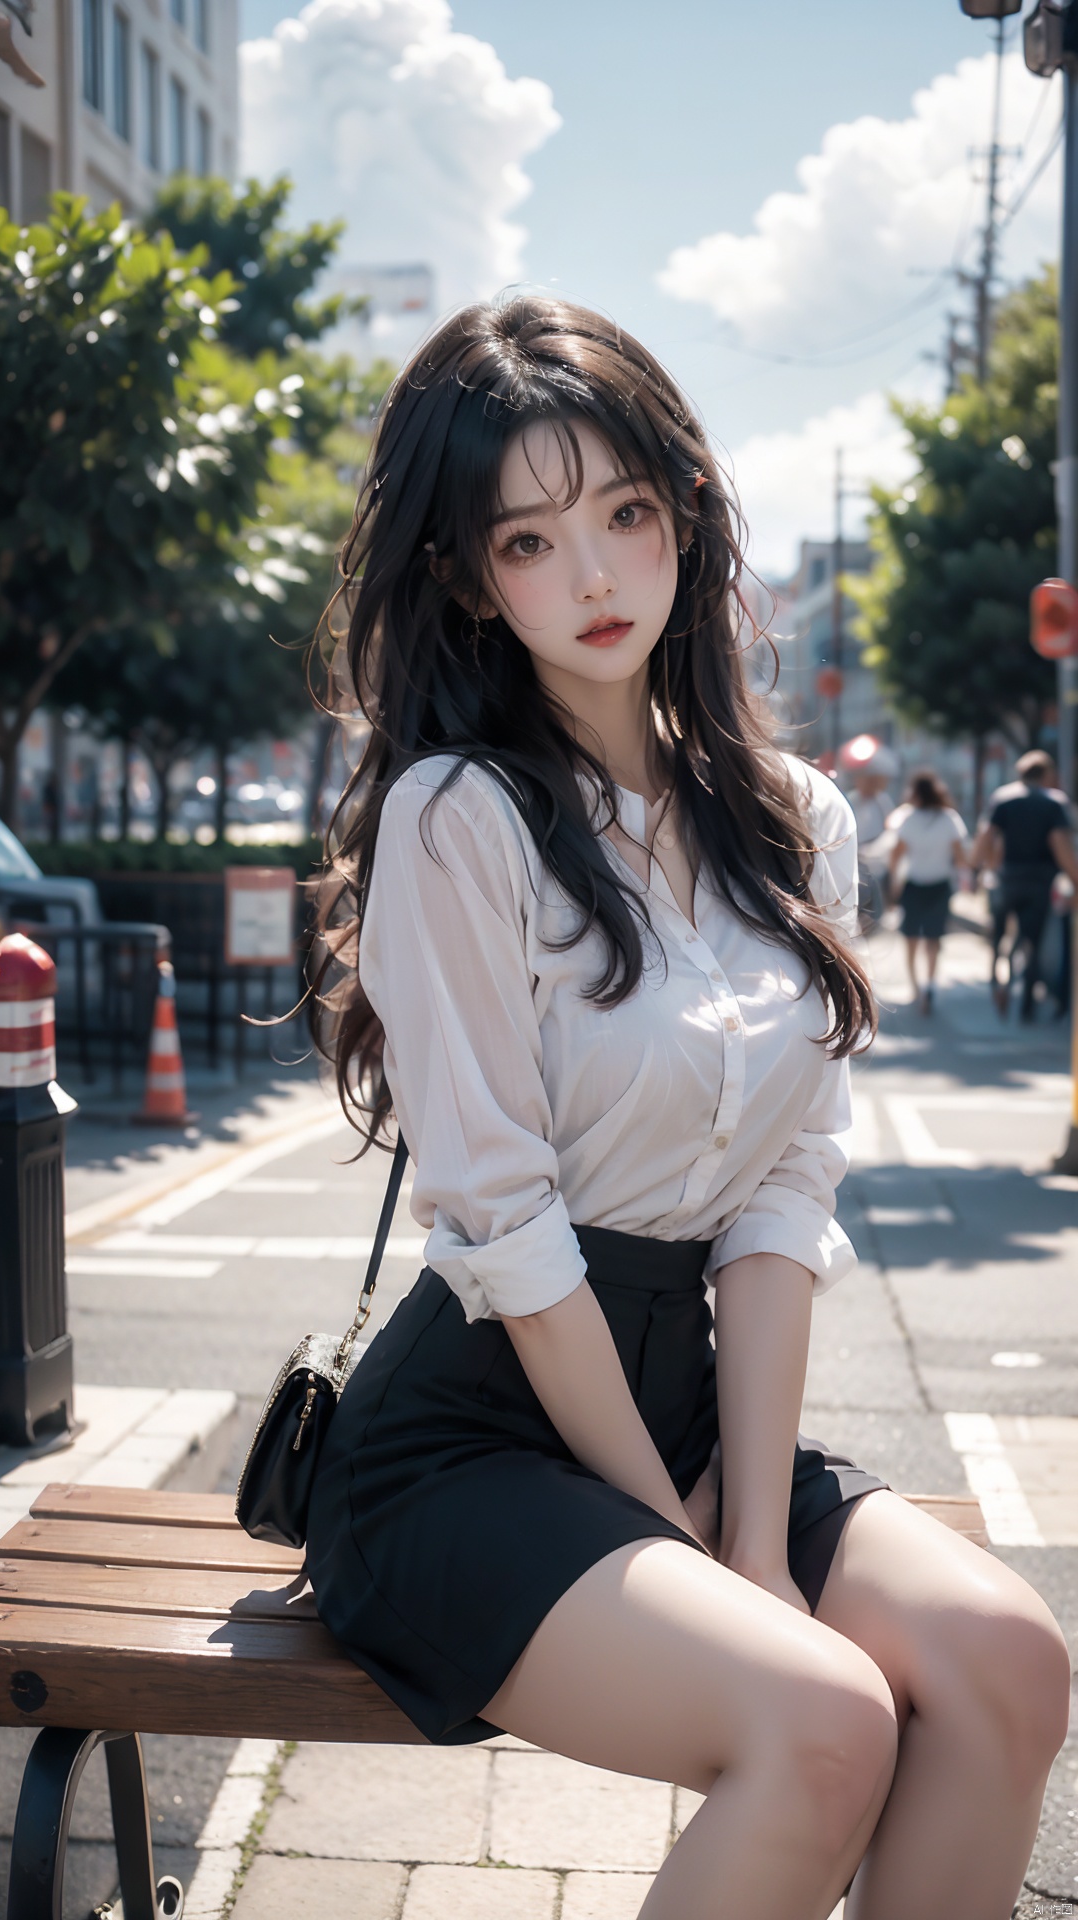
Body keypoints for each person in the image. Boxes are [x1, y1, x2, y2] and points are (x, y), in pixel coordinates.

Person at [304, 298, 1068, 1920]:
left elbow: (785, 1193)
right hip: (472, 1439)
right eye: (529, 538)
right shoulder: (461, 818)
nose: (593, 577)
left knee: (1010, 1662)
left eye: (627, 515)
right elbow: (504, 1228)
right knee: (822, 1716)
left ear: (687, 515)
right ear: (462, 573)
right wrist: (677, 1535)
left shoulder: (798, 821)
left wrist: (759, 1531)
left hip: (689, 1403)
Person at [972, 749, 1078, 1021]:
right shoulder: (1054, 802)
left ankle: (999, 983)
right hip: (1040, 882)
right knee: (1032, 943)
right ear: (1047, 774)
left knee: (999, 939)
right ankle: (1028, 1006)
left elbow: (986, 838)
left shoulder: (1002, 798)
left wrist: (976, 869)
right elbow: (1060, 845)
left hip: (1006, 879)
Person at [886, 771, 969, 1013]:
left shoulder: (908, 819)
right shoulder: (949, 818)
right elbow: (960, 855)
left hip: (913, 884)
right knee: (934, 939)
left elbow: (896, 855)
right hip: (941, 884)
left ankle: (914, 986)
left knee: (911, 938)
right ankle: (930, 985)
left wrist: (894, 882)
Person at [846, 744, 899, 932]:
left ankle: (876, 919)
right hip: (854, 854)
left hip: (877, 856)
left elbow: (890, 827)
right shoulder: (850, 799)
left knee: (877, 891)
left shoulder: (882, 800)